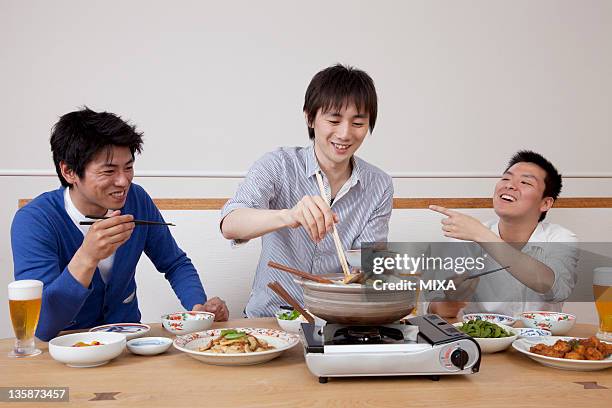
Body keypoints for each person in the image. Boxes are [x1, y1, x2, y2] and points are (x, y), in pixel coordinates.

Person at [11, 107, 228, 341]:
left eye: (128, 167)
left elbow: (175, 263)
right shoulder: (34, 221)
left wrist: (198, 307)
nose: (123, 181)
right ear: (69, 171)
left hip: (128, 343)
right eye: (109, 170)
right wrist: (87, 257)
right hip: (66, 348)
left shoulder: (137, 200)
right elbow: (42, 327)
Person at [220, 64, 393, 317]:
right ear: (310, 118)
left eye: (357, 123)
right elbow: (230, 224)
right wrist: (290, 216)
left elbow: (368, 265)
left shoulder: (379, 185)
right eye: (333, 120)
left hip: (336, 322)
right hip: (270, 320)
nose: (345, 134)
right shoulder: (278, 165)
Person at [427, 150, 578, 318]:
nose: (510, 185)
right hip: (481, 340)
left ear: (545, 203)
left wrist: (482, 236)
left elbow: (557, 289)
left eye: (525, 182)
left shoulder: (560, 238)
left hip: (539, 341)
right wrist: (451, 301)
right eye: (506, 178)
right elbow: (436, 307)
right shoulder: (467, 236)